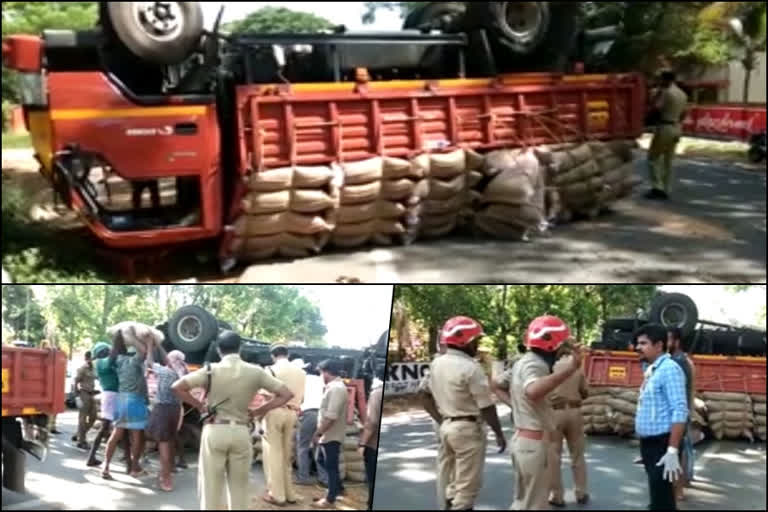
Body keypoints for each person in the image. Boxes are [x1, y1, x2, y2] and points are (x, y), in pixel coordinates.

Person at [171, 330, 293, 510]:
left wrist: (200, 406)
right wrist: (259, 411)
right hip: (241, 432)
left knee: (211, 486)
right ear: (240, 348)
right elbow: (286, 394)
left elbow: (177, 387)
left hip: (215, 430)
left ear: (219, 349)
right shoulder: (256, 372)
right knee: (239, 487)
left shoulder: (211, 370)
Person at [419, 316, 506, 511]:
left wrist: (444, 421)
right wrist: (499, 434)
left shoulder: (437, 364)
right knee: (467, 488)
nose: (478, 345)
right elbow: (487, 407)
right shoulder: (471, 368)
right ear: (465, 341)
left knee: (454, 484)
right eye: (476, 340)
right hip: (468, 430)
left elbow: (423, 395)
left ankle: (450, 504)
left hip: (447, 427)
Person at [508, 315, 584, 510]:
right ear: (552, 344)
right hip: (533, 442)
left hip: (525, 439)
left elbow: (498, 384)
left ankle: (557, 495)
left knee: (524, 501)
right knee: (534, 504)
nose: (562, 350)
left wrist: (516, 405)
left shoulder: (522, 362)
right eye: (562, 344)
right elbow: (533, 391)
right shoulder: (535, 364)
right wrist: (570, 369)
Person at [634, 323, 688, 511]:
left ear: (658, 345)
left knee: (662, 499)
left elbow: (680, 410)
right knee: (658, 495)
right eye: (637, 343)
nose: (637, 347)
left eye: (643, 343)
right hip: (650, 444)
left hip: (662, 444)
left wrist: (672, 450)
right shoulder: (652, 369)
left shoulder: (669, 369)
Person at [101, 331, 151, 480]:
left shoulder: (118, 361)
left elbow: (115, 350)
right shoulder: (135, 362)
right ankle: (135, 467)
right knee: (136, 437)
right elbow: (143, 351)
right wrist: (143, 340)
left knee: (116, 435)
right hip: (135, 401)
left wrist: (120, 338)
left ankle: (106, 465)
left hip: (120, 400)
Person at [261, 344, 306, 506]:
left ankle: (277, 495)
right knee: (287, 455)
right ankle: (290, 493)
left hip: (275, 412)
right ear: (287, 354)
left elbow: (266, 396)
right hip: (293, 413)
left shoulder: (270, 370)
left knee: (273, 453)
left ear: (273, 355)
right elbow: (301, 397)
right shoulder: (301, 373)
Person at [547, 351, 590, 507]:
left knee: (554, 455)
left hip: (553, 413)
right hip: (574, 412)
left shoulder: (548, 366)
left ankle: (557, 496)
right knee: (577, 454)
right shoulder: (576, 367)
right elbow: (585, 392)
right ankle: (581, 492)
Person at [311, 358, 349, 509]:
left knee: (330, 466)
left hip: (331, 434)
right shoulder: (333, 387)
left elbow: (331, 416)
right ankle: (337, 488)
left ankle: (330, 498)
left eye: (321, 372)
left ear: (326, 372)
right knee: (320, 460)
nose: (320, 376)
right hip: (328, 434)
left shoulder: (336, 389)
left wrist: (318, 433)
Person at [145, 345, 184, 492]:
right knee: (170, 442)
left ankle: (166, 478)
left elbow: (149, 361)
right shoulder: (182, 373)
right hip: (175, 410)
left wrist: (150, 345)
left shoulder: (165, 372)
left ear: (171, 360)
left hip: (163, 410)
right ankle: (165, 473)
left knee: (164, 445)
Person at [645, 69, 688, 200]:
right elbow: (684, 113)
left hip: (664, 126)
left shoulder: (666, 93)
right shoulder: (682, 94)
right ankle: (666, 187)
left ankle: (657, 188)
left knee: (653, 158)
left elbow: (656, 108)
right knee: (668, 160)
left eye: (660, 79)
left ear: (665, 80)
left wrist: (655, 96)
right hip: (676, 127)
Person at [86, 342, 129, 467]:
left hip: (114, 395)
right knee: (106, 427)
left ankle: (127, 457)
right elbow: (113, 356)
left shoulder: (104, 363)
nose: (110, 352)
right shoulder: (101, 362)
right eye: (108, 351)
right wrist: (118, 340)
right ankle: (91, 457)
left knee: (122, 428)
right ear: (103, 352)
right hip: (111, 396)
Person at [667, 327, 696, 501]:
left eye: (668, 339)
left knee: (675, 450)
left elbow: (683, 391)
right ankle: (680, 485)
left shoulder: (678, 362)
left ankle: (677, 490)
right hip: (680, 412)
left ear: (676, 342)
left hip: (676, 413)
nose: (665, 343)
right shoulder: (682, 360)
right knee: (680, 449)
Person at [294, 360, 328, 487]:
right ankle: (323, 478)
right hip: (321, 413)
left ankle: (303, 477)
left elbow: (298, 398)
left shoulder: (302, 380)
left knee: (302, 446)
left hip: (308, 414)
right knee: (317, 446)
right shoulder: (320, 380)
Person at [359, 372, 383, 511]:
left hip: (373, 445)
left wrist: (362, 443)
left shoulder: (376, 393)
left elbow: (371, 421)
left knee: (373, 481)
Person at [74, 351, 99, 451]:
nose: (91, 359)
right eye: (89, 357)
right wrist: (77, 396)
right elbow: (76, 381)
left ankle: (80, 434)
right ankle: (81, 441)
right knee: (83, 419)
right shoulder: (82, 368)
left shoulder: (93, 368)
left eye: (92, 358)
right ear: (86, 358)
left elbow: (95, 379)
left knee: (94, 416)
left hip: (92, 394)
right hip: (84, 394)